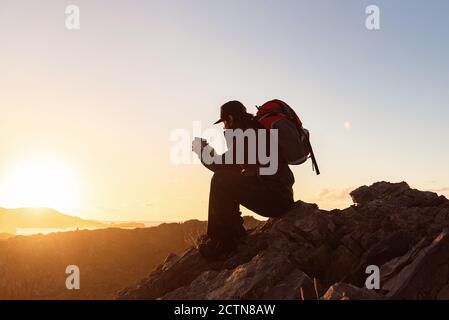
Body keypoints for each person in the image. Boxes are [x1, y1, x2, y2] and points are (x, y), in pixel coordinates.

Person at [192, 100, 295, 259]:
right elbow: (232, 166)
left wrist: (202, 152)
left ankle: (223, 243)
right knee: (227, 180)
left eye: (224, 122)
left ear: (231, 119)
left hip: (275, 200)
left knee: (221, 180)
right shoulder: (256, 130)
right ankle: (233, 234)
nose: (224, 127)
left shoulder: (247, 134)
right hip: (281, 196)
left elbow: (222, 166)